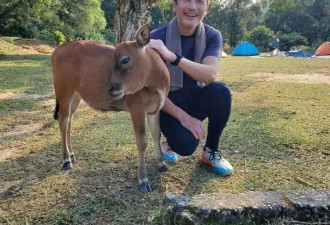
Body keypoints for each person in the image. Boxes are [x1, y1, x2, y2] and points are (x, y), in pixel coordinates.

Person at [148, 0, 233, 176]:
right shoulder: (156, 39)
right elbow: (151, 91)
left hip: (195, 100)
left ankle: (211, 151)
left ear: (207, 8)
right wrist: (183, 117)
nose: (193, 7)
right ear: (174, 5)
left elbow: (210, 75)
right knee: (186, 146)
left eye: (200, 1)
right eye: (186, 0)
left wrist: (173, 57)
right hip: (167, 106)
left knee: (221, 91)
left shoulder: (212, 36)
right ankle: (169, 141)